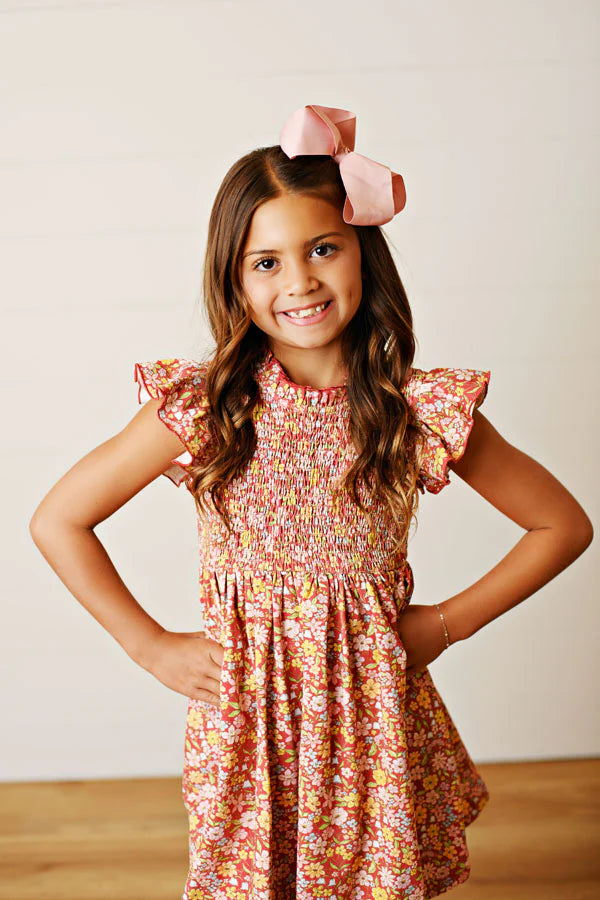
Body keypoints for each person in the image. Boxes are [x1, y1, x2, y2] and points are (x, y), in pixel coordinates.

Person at [30, 104, 593, 900]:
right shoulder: (208, 409)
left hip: (371, 723)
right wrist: (150, 646)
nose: (299, 281)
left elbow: (561, 525)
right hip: (248, 727)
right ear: (233, 278)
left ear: (364, 251)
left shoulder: (414, 410)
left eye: (323, 248)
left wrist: (442, 624)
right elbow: (58, 520)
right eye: (266, 262)